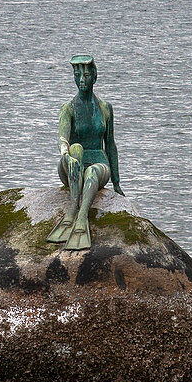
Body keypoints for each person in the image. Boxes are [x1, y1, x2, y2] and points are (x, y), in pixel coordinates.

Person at [46, 54, 123, 251]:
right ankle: (71, 211)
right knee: (76, 148)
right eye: (77, 75)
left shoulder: (105, 108)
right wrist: (66, 155)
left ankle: (81, 218)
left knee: (91, 173)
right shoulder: (68, 109)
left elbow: (111, 145)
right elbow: (62, 138)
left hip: (98, 163)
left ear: (94, 77)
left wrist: (116, 182)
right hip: (71, 166)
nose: (82, 80)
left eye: (86, 75)